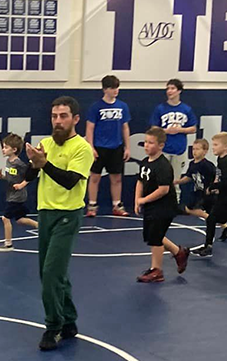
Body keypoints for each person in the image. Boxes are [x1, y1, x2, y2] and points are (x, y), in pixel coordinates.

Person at [23, 96, 93, 351]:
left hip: (68, 215)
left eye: (63, 116)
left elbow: (70, 181)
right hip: (46, 214)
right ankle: (69, 321)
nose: (58, 121)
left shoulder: (82, 148)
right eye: (54, 116)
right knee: (50, 272)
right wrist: (33, 162)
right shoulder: (45, 144)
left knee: (52, 273)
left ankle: (53, 327)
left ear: (75, 119)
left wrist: (45, 164)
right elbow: (32, 174)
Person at [134, 127, 190, 283]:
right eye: (145, 142)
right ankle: (179, 252)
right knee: (151, 235)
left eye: (151, 143)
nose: (146, 145)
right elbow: (140, 181)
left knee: (156, 238)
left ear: (161, 146)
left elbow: (163, 190)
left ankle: (157, 271)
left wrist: (143, 200)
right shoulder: (145, 162)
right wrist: (137, 199)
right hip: (151, 205)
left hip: (164, 206)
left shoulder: (163, 166)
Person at [85, 75, 131, 217]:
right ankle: (92, 205)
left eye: (117, 87)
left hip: (116, 147)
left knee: (116, 177)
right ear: (105, 89)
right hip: (99, 147)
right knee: (94, 177)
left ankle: (117, 205)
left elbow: (125, 127)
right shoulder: (96, 107)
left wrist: (127, 147)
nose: (116, 90)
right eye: (112, 88)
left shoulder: (122, 106)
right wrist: (91, 147)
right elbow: (90, 128)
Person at [149, 79, 198, 201]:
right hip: (163, 148)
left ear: (179, 91)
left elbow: (193, 128)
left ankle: (174, 201)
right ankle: (158, 201)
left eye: (172, 88)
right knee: (160, 178)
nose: (169, 91)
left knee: (175, 178)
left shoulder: (186, 109)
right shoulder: (160, 108)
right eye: (168, 88)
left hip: (179, 149)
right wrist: (166, 131)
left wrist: (180, 130)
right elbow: (153, 128)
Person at [0, 133, 38, 252]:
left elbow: (29, 176)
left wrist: (21, 185)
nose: (3, 149)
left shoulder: (19, 164)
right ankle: (40, 227)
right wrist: (2, 176)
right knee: (19, 219)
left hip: (18, 196)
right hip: (11, 194)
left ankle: (8, 244)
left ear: (14, 149)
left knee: (5, 218)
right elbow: (11, 179)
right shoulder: (9, 162)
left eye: (6, 147)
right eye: (3, 147)